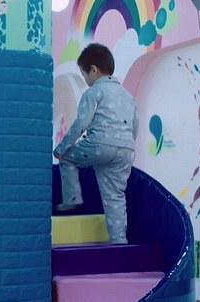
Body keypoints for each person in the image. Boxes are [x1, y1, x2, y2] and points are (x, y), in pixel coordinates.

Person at [53, 42, 138, 245]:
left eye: (84, 74)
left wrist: (62, 147)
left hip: (100, 145)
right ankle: (119, 240)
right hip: (126, 150)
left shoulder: (93, 92)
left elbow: (82, 123)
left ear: (93, 70)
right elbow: (135, 125)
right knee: (115, 197)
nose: (85, 79)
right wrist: (124, 143)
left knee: (66, 159)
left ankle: (72, 199)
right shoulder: (127, 96)